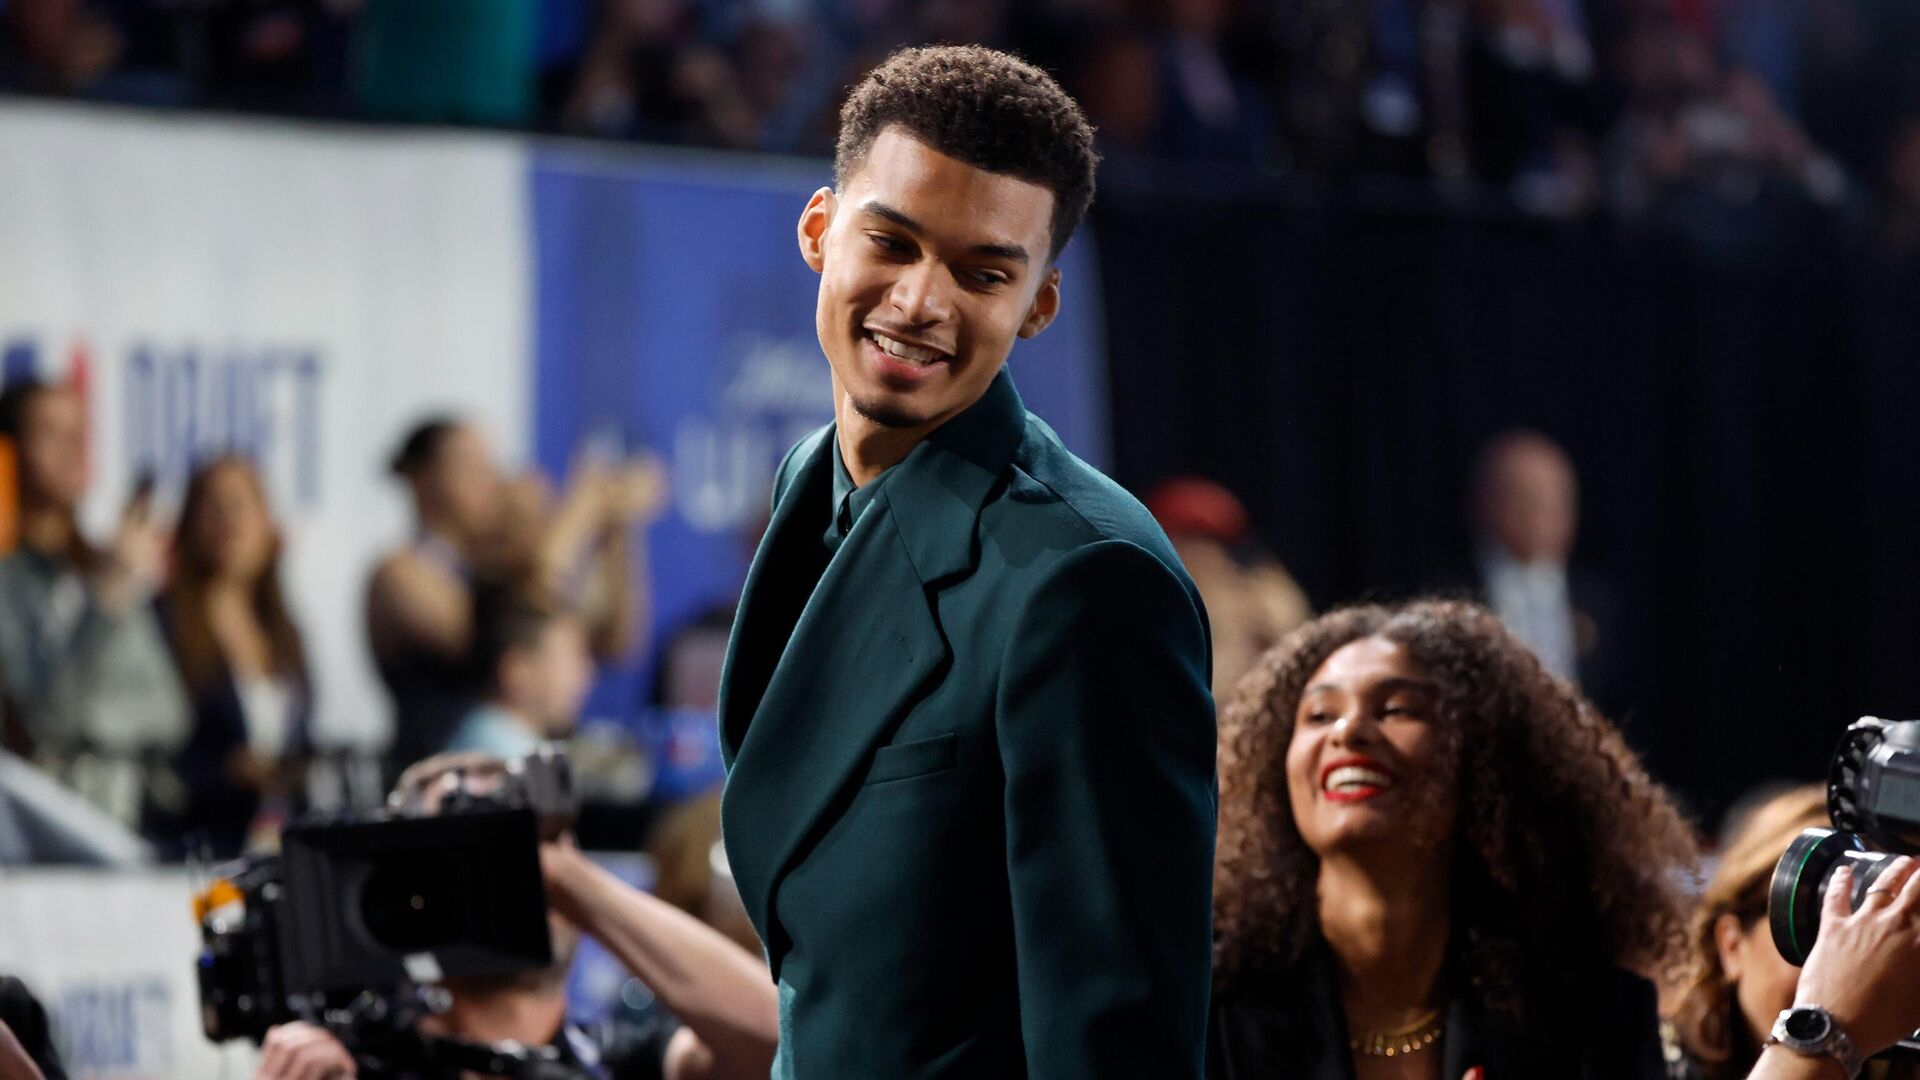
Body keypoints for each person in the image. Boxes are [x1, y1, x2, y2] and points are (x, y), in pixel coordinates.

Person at [717, 45, 1216, 1079]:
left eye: (982, 274)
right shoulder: (809, 478)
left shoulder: (1089, 578)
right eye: (891, 243)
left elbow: (1119, 1037)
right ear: (818, 231)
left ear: (1038, 305)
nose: (919, 302)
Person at [1210, 599, 1698, 1078]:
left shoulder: (1594, 1016)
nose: (1350, 730)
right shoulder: (1211, 1001)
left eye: (1396, 709)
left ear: (1482, 760)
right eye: (1320, 715)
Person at [254, 751, 778, 1080]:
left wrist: (566, 875)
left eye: (522, 845)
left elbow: (779, 1040)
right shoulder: (350, 1066)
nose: (510, 879)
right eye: (468, 854)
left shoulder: (614, 1062)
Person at [0, 378, 187, 828]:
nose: (72, 451)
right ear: (10, 449)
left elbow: (169, 713)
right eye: (50, 433)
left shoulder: (105, 566)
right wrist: (104, 605)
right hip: (38, 833)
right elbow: (45, 718)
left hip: (126, 821)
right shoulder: (9, 580)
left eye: (79, 435)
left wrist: (86, 730)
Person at [151, 455, 312, 860]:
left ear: (268, 524)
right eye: (213, 506)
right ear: (188, 525)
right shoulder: (162, 623)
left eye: (241, 505)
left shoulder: (284, 631)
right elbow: (153, 752)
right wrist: (227, 770)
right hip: (192, 844)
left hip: (272, 844)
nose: (229, 520)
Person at [1147, 476, 1312, 705]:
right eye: (1180, 541)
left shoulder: (1265, 593)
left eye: (1200, 541)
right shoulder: (1153, 596)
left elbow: (1301, 660)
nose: (1193, 553)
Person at [445, 585, 594, 758]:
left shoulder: (495, 740)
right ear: (518, 674)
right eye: (572, 657)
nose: (586, 673)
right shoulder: (500, 761)